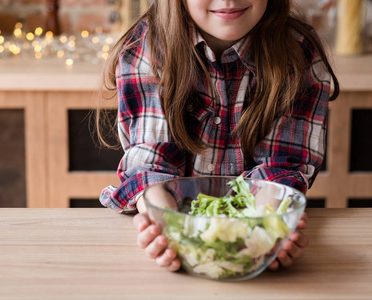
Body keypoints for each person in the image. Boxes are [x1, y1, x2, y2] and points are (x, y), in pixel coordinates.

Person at [97, 0, 339, 272]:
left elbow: (281, 168)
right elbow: (151, 164)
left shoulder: (298, 51)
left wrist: (263, 233)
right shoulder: (147, 46)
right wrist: (172, 230)